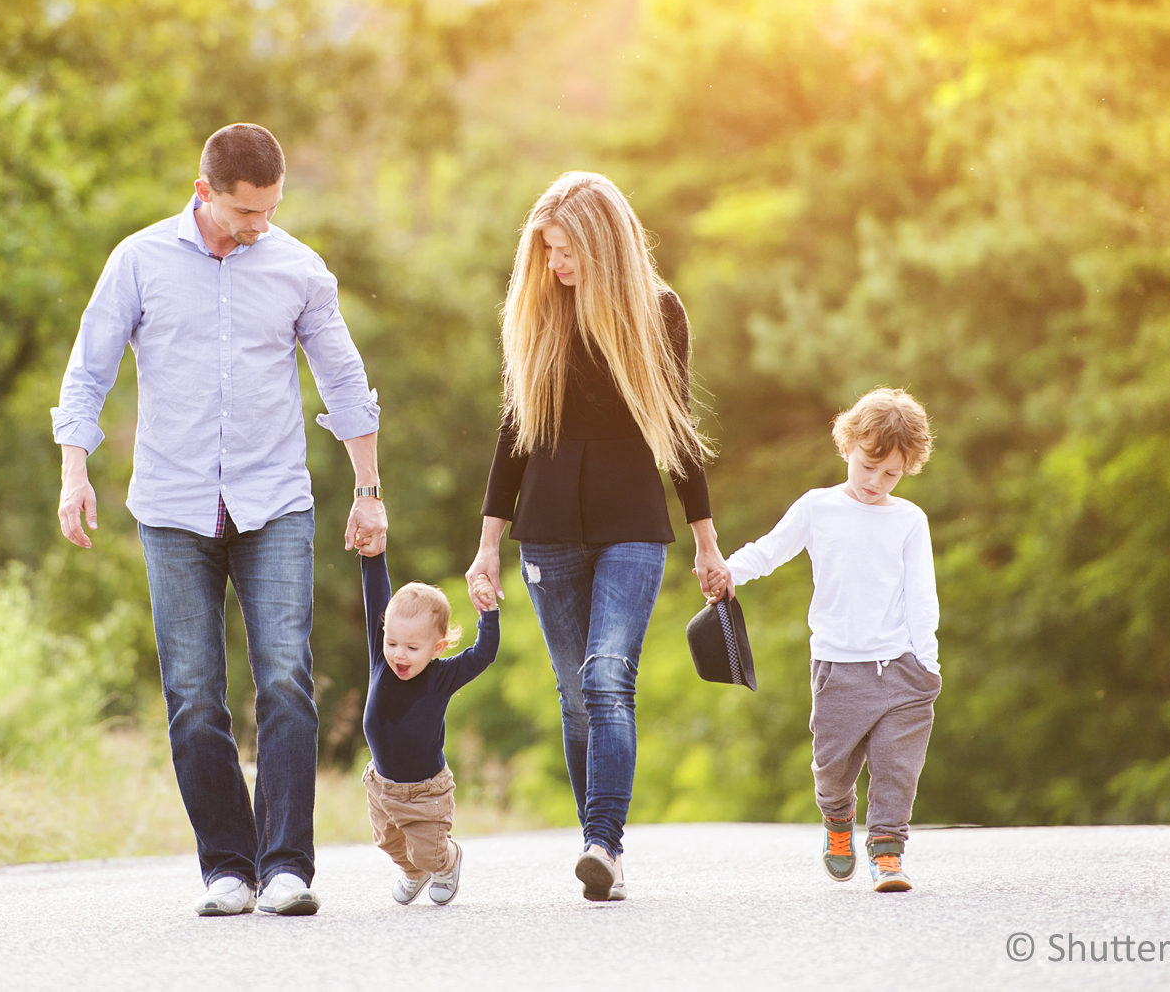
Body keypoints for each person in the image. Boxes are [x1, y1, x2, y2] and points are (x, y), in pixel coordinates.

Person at [52, 123, 388, 917]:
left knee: (284, 679)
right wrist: (75, 472)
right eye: (245, 211)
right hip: (172, 508)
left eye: (270, 209)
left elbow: (344, 377)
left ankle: (286, 866)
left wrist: (368, 487)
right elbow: (88, 367)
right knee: (196, 691)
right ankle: (227, 867)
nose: (258, 225)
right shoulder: (139, 261)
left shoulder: (298, 268)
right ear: (204, 191)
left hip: (274, 500)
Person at [464, 171, 729, 902]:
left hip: (632, 527)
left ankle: (603, 844)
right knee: (576, 696)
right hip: (546, 531)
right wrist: (487, 544)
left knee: (607, 676)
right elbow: (512, 438)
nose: (555, 264)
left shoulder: (659, 313)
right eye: (547, 250)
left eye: (567, 249)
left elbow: (679, 436)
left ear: (604, 243)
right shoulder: (540, 314)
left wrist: (707, 541)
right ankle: (597, 844)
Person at [721, 387, 940, 893]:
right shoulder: (817, 509)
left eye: (891, 474)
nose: (875, 482)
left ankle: (888, 855)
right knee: (832, 770)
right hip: (838, 668)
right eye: (868, 466)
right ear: (847, 447)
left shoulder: (909, 520)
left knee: (896, 769)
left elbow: (921, 596)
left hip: (902, 670)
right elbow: (769, 551)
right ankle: (839, 822)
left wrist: (926, 663)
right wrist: (726, 572)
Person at [358, 552, 499, 906]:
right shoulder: (382, 658)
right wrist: (372, 555)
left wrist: (489, 614)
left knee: (428, 853)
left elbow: (483, 654)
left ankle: (445, 861)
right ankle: (414, 873)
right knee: (388, 842)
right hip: (381, 784)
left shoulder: (442, 676)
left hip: (425, 793)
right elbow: (375, 592)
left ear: (436, 647)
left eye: (412, 647)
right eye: (391, 643)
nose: (398, 655)